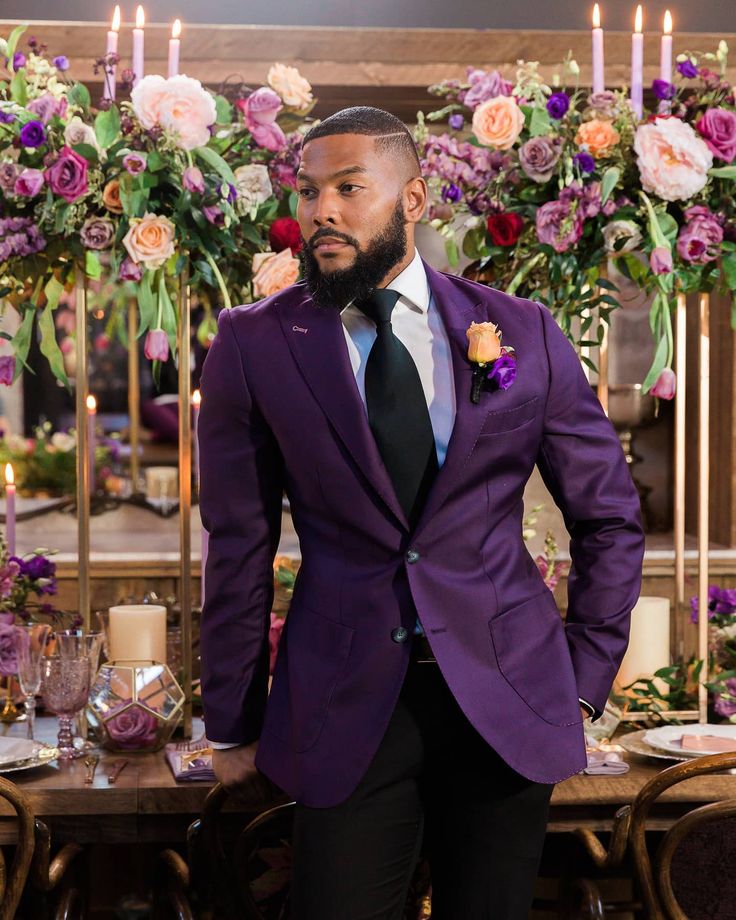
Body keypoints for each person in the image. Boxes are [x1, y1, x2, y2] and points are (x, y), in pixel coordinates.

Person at [198, 106, 645, 920]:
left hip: (507, 699)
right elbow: (238, 542)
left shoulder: (522, 332)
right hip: (345, 704)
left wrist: (581, 683)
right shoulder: (254, 343)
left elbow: (609, 517)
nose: (320, 211)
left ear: (414, 200)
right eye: (308, 191)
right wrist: (229, 719)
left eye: (348, 188)